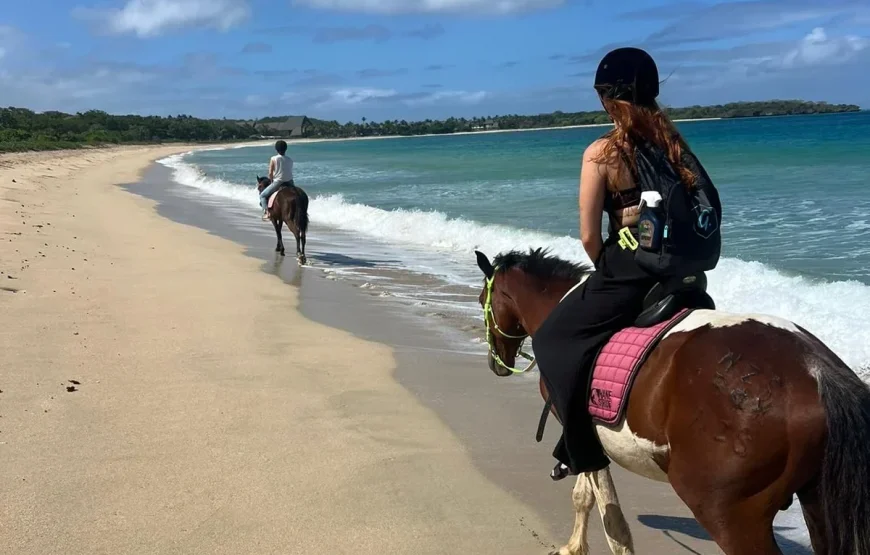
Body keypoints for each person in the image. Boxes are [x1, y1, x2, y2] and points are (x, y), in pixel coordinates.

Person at [531, 47, 721, 478]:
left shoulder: (602, 153)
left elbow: (588, 237)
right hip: (684, 269)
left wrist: (609, 267)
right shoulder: (674, 144)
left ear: (606, 98)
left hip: (631, 269)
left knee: (552, 341)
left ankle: (581, 449)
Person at [259, 140, 295, 220]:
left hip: (279, 182)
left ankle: (267, 213)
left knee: (263, 195)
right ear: (286, 149)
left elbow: (270, 173)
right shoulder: (290, 159)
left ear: (276, 149)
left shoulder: (273, 158)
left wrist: (271, 181)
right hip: (290, 182)